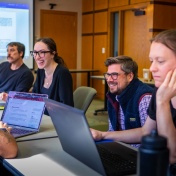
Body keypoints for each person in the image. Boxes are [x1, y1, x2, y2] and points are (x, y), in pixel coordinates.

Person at [90, 29, 176, 164]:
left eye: (160, 61)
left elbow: (171, 156)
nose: (152, 68)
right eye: (151, 61)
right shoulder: (160, 91)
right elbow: (146, 131)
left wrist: (162, 102)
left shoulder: (159, 96)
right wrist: (103, 135)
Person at [94, 56, 153, 147]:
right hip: (119, 148)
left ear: (130, 76)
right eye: (108, 75)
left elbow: (149, 137)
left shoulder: (145, 98)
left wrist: (103, 135)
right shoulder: (113, 94)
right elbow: (112, 130)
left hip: (138, 154)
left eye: (114, 75)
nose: (109, 80)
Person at [31, 37, 74, 112]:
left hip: (57, 120)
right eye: (35, 52)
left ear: (52, 54)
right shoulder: (41, 71)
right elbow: (35, 96)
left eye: (42, 52)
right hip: (42, 117)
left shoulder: (62, 74)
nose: (37, 57)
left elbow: (66, 107)